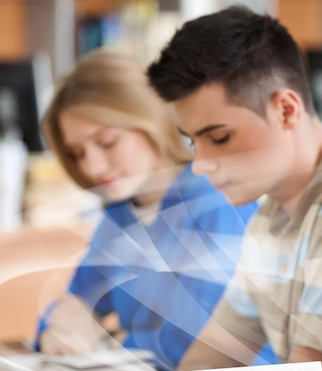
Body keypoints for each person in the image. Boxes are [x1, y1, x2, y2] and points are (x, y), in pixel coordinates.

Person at [147, 5, 322, 371]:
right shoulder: (270, 217)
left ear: (285, 110)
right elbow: (209, 359)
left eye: (218, 136)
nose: (200, 164)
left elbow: (313, 367)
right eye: (192, 142)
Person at [34, 49, 265, 371]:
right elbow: (68, 307)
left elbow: (194, 343)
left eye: (107, 142)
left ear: (151, 120)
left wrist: (101, 340)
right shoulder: (118, 217)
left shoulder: (218, 199)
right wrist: (56, 334)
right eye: (77, 153)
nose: (92, 166)